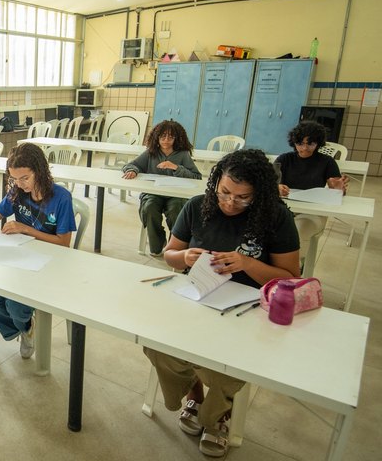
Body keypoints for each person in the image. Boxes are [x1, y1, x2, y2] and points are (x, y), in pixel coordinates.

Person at [145, 149, 300, 457]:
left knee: (229, 365)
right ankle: (195, 393)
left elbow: (290, 278)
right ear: (215, 183)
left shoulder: (276, 217)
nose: (230, 203)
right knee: (156, 344)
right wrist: (185, 256)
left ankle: (218, 416)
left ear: (260, 195)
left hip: (248, 307)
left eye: (243, 198)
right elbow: (169, 255)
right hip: (198, 298)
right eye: (224, 193)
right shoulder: (197, 207)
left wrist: (246, 263)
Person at [0, 143, 76, 359]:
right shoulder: (17, 192)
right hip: (18, 258)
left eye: (24, 178)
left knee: (15, 305)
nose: (19, 183)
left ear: (39, 171)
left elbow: (63, 242)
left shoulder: (61, 197)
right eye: (14, 178)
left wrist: (26, 229)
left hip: (47, 263)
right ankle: (24, 329)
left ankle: (22, 324)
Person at [275, 121, 348, 270]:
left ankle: (292, 270)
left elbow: (335, 185)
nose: (304, 148)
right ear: (293, 142)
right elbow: (269, 183)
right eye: (300, 143)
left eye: (310, 144)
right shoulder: (284, 159)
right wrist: (276, 187)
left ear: (318, 143)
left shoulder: (327, 161)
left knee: (299, 231)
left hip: (312, 212)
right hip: (285, 209)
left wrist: (338, 188)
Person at [122, 120, 201, 256]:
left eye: (171, 137)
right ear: (156, 138)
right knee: (149, 208)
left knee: (176, 210)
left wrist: (176, 167)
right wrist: (133, 171)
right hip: (153, 193)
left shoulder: (182, 154)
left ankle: (174, 246)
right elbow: (131, 165)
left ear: (177, 138)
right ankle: (157, 244)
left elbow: (196, 177)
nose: (166, 140)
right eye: (162, 136)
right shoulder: (151, 153)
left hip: (176, 194)